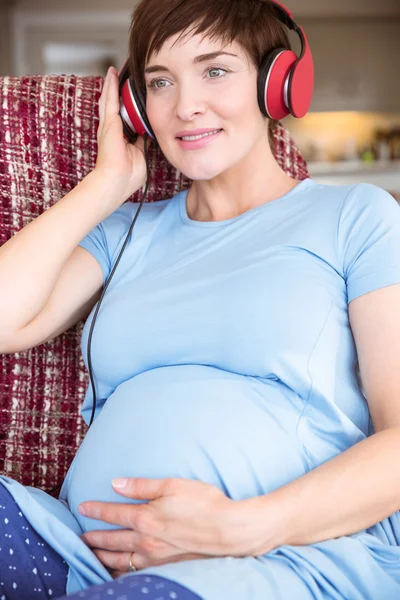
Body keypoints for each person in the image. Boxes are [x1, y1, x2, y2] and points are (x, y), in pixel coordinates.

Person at [1, 0, 400, 598]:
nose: (185, 105)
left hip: (280, 561)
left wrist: (240, 528)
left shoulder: (355, 217)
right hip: (78, 554)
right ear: (138, 105)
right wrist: (108, 183)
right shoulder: (123, 231)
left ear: (277, 83)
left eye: (215, 70)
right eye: (160, 81)